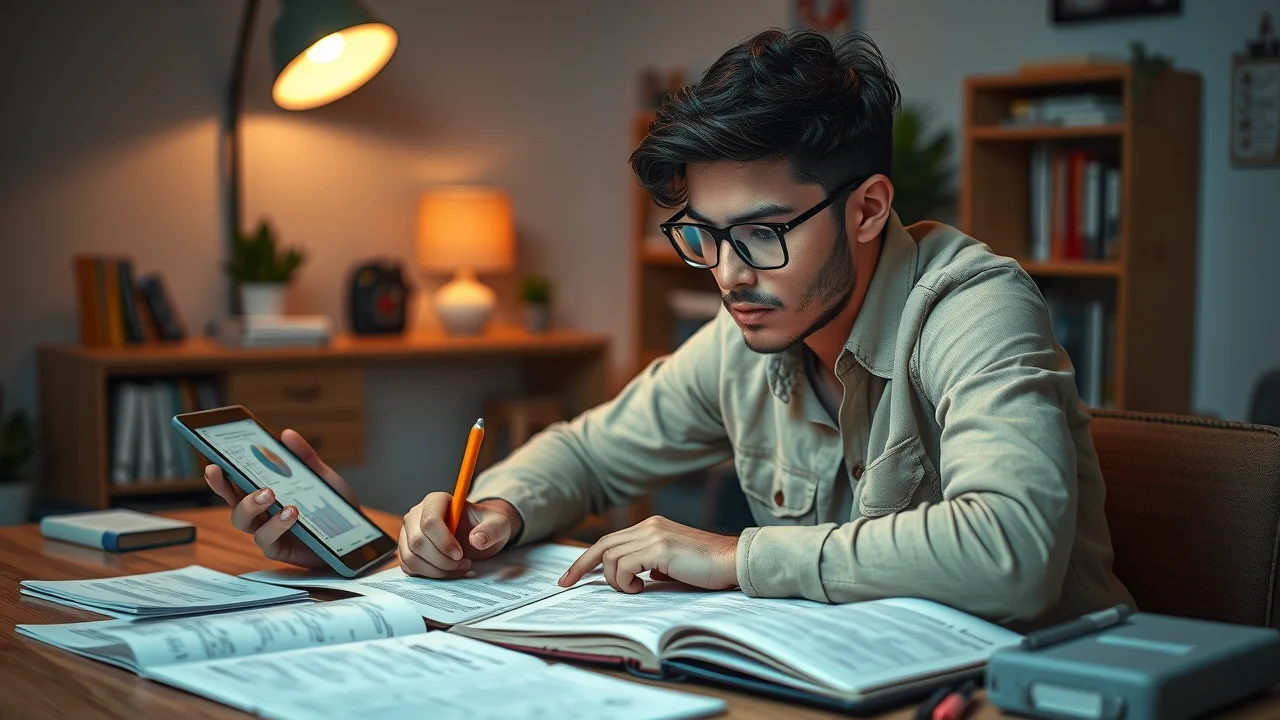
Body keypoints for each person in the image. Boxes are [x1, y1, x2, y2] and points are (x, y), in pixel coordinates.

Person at [206, 28, 1134, 630]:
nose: (730, 275)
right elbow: (588, 454)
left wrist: (738, 557)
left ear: (867, 209)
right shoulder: (749, 335)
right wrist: (496, 512)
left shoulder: (975, 308)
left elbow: (1010, 551)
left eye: (764, 233)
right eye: (705, 235)